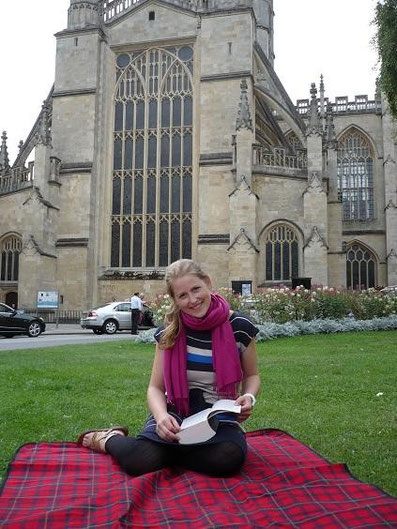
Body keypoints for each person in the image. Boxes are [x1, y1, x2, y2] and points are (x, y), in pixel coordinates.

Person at [78, 259, 260, 477]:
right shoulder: (170, 332)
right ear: (174, 299)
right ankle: (110, 438)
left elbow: (252, 375)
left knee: (228, 459)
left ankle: (165, 455)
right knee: (138, 462)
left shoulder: (239, 327)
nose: (193, 300)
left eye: (196, 289)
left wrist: (249, 396)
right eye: (183, 295)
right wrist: (161, 416)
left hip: (217, 414)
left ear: (208, 283)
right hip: (175, 411)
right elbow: (155, 388)